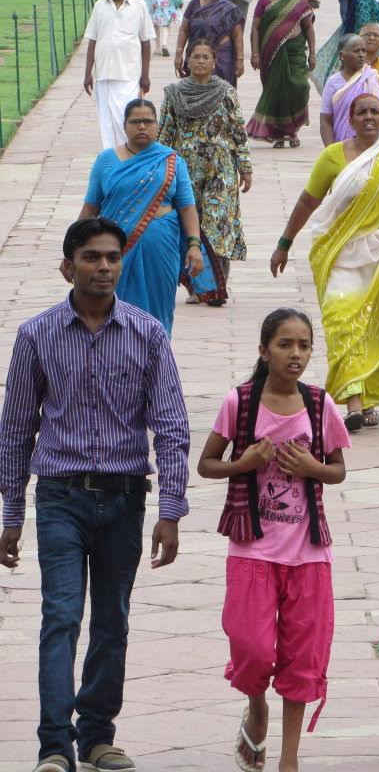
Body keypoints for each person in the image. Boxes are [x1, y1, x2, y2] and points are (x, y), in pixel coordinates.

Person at [0, 217, 191, 772]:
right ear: (68, 266)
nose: (104, 266)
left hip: (124, 498)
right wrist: (12, 512)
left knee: (112, 619)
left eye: (112, 257)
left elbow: (172, 426)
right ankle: (54, 746)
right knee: (60, 615)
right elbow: (15, 429)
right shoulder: (37, 335)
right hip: (59, 496)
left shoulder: (147, 333)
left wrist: (170, 510)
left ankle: (97, 735)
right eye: (91, 257)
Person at [197, 308, 349, 772]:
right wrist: (244, 462)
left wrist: (311, 468)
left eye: (304, 345)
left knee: (303, 656)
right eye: (285, 344)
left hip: (308, 553)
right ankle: (256, 705)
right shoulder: (239, 403)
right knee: (251, 647)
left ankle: (289, 760)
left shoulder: (321, 405)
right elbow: (206, 464)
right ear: (264, 351)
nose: (296, 354)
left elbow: (338, 470)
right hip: (252, 549)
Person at [271, 91, 379, 431]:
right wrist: (284, 243)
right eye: (361, 112)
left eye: (374, 112)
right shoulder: (334, 157)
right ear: (350, 119)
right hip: (338, 255)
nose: (368, 118)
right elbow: (308, 200)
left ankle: (365, 401)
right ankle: (352, 402)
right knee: (341, 322)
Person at [79, 99, 205, 334]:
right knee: (115, 311)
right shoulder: (106, 161)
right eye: (135, 122)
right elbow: (90, 209)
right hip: (116, 251)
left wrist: (194, 245)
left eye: (148, 121)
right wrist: (73, 249)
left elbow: (187, 208)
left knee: (159, 309)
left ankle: (156, 360)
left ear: (157, 125)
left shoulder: (172, 161)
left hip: (161, 249)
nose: (142, 127)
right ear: (124, 125)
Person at [158, 39, 250, 307]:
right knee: (190, 226)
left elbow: (238, 131)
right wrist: (160, 167)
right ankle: (198, 287)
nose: (200, 61)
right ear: (188, 61)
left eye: (205, 57)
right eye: (195, 56)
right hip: (185, 170)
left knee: (217, 224)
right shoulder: (174, 94)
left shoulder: (226, 92)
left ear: (214, 61)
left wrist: (245, 167)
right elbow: (165, 133)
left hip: (221, 169)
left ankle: (217, 286)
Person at [84, 0, 156, 150]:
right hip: (104, 75)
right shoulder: (100, 6)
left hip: (130, 74)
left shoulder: (139, 6)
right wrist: (87, 74)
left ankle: (131, 156)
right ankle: (113, 159)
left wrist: (145, 76)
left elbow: (146, 43)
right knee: (107, 124)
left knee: (127, 118)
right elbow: (92, 40)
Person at [246, 0, 317, 147]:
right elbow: (255, 28)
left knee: (299, 89)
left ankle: (292, 130)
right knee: (277, 92)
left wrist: (313, 54)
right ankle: (281, 134)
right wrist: (254, 53)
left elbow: (308, 27)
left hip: (295, 53)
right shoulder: (263, 2)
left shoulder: (298, 2)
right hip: (271, 54)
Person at [175, 0, 244, 87]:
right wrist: (178, 54)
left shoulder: (229, 9)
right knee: (195, 90)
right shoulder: (194, 5)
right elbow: (184, 30)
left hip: (222, 56)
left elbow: (237, 36)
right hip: (197, 54)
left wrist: (240, 59)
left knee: (222, 90)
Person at [318, 34, 379, 146]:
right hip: (343, 145)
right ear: (342, 55)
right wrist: (331, 151)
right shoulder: (333, 82)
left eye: (363, 51)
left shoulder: (371, 78)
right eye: (356, 51)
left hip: (373, 144)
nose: (361, 55)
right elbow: (325, 120)